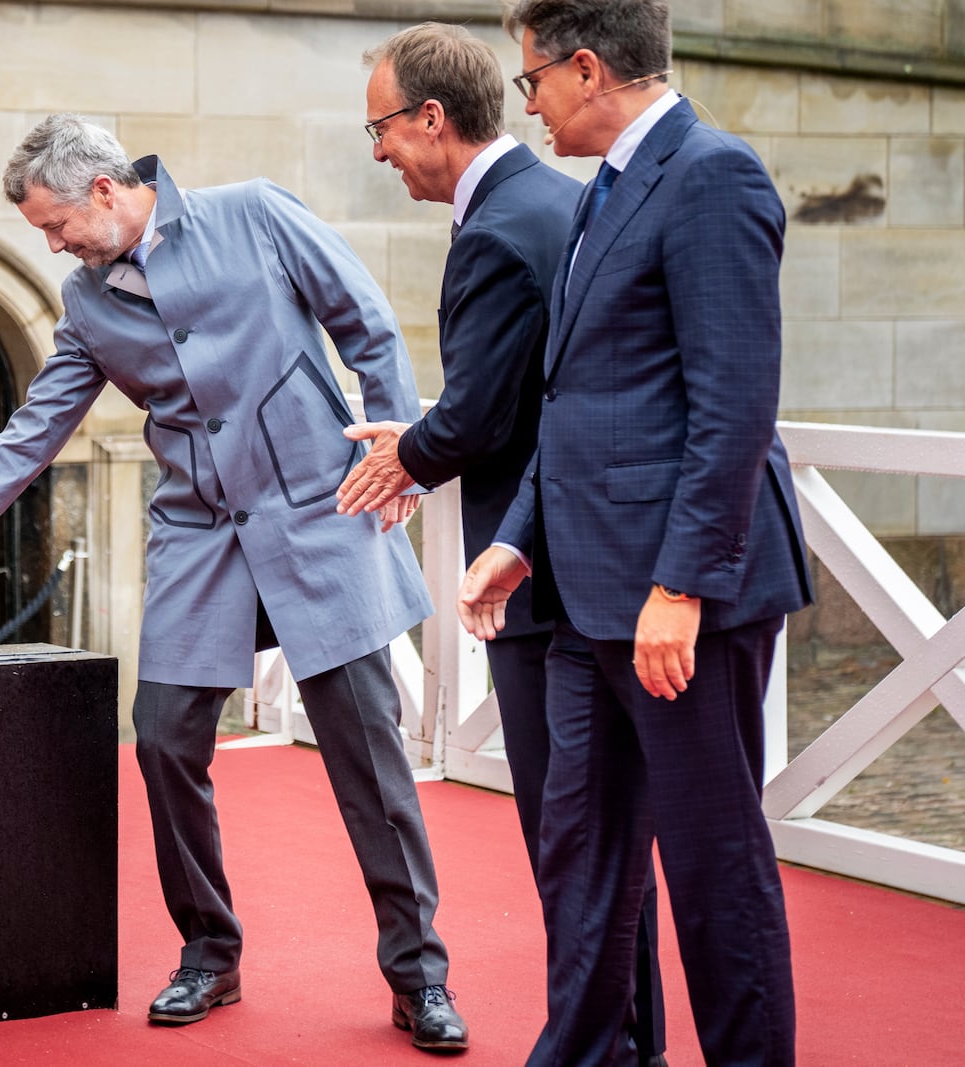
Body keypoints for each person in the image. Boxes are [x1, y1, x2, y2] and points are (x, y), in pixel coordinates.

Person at [0, 114, 469, 1051]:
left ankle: (419, 973)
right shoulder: (85, 300)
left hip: (324, 511)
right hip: (199, 534)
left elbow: (369, 325)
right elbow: (32, 431)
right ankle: (210, 950)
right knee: (161, 739)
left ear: (105, 190)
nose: (55, 243)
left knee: (368, 753)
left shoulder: (258, 214)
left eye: (57, 223)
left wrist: (400, 453)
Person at [455, 2, 814, 1064]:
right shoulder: (602, 188)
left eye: (529, 83)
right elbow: (576, 402)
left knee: (712, 868)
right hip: (580, 595)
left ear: (583, 68)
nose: (526, 106)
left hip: (679, 604)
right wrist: (516, 536)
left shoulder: (713, 175)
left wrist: (682, 586)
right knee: (584, 857)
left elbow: (734, 402)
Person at [336, 21, 666, 1065]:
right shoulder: (566, 201)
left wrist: (411, 452)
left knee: (571, 847)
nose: (379, 153)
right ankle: (627, 1043)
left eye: (380, 130)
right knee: (607, 849)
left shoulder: (498, 227)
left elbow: (482, 413)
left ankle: (600, 1046)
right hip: (597, 563)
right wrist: (425, 441)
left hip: (541, 579)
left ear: (429, 118)